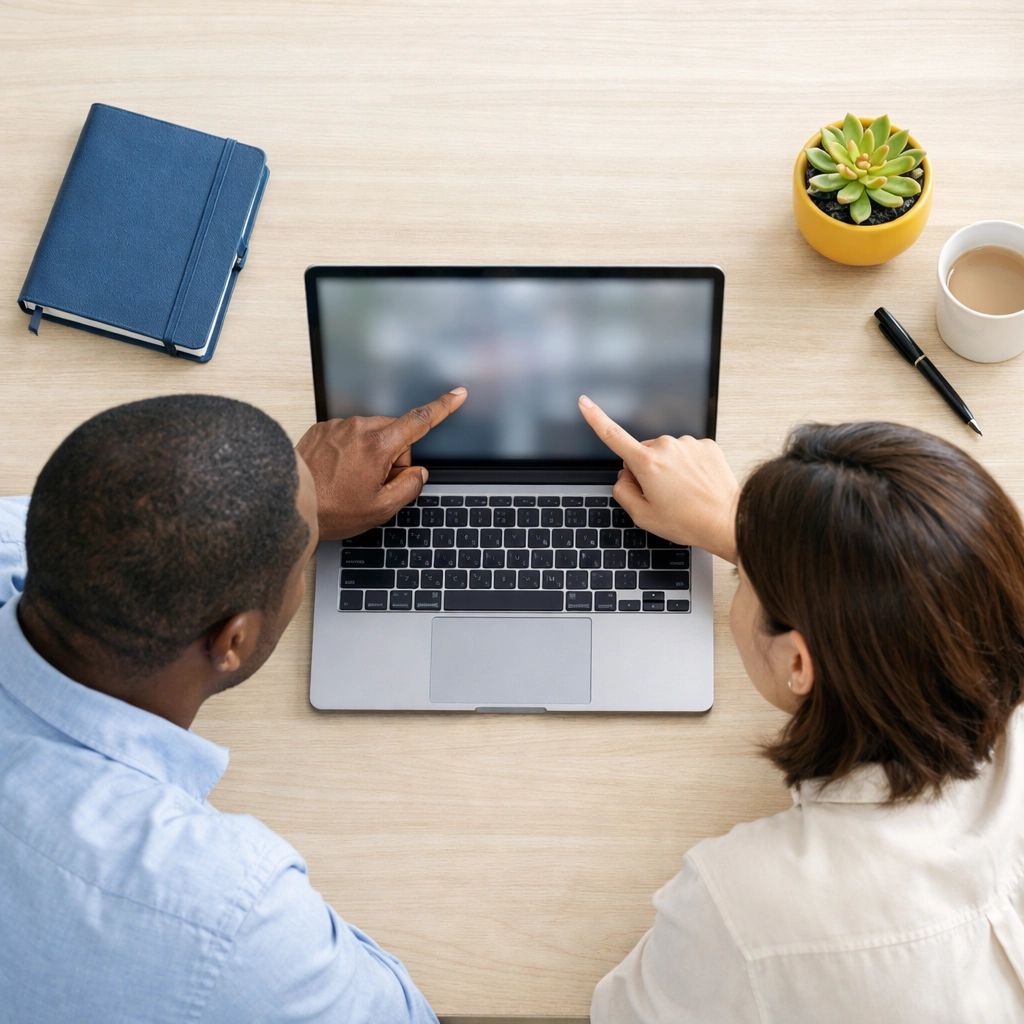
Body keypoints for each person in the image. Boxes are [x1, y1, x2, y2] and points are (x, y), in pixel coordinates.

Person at [0, 387, 467, 1024]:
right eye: (302, 564)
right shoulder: (230, 917)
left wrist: (292, 508)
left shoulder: (44, 535)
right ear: (233, 641)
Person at [577, 395, 1024, 1022]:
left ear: (798, 665)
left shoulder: (741, 911)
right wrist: (762, 539)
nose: (740, 571)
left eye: (744, 579)